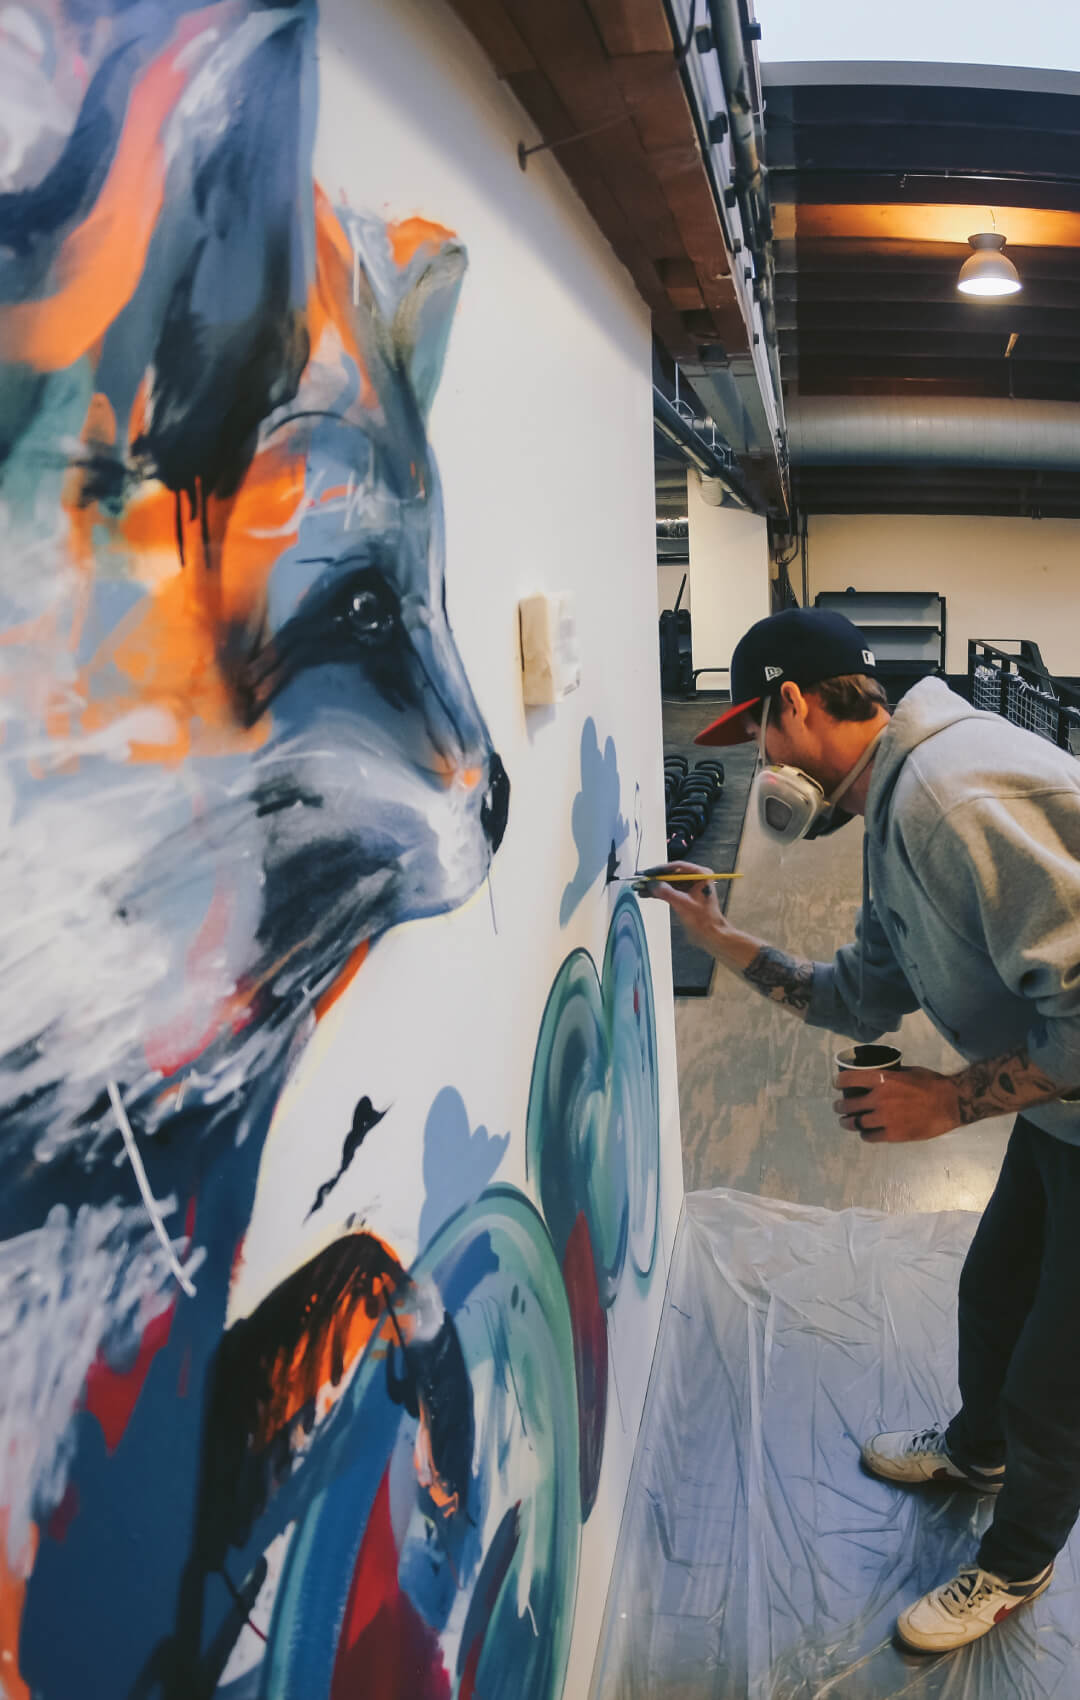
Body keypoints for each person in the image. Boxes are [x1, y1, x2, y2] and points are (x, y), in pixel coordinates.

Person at [643, 606, 1080, 1653]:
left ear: (795, 704)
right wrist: (723, 936)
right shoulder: (892, 812)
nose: (761, 761)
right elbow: (858, 992)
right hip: (1063, 1108)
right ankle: (979, 1454)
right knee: (994, 1291)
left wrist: (948, 1099)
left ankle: (1016, 1560)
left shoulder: (946, 792)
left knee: (1055, 1377)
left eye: (759, 732)